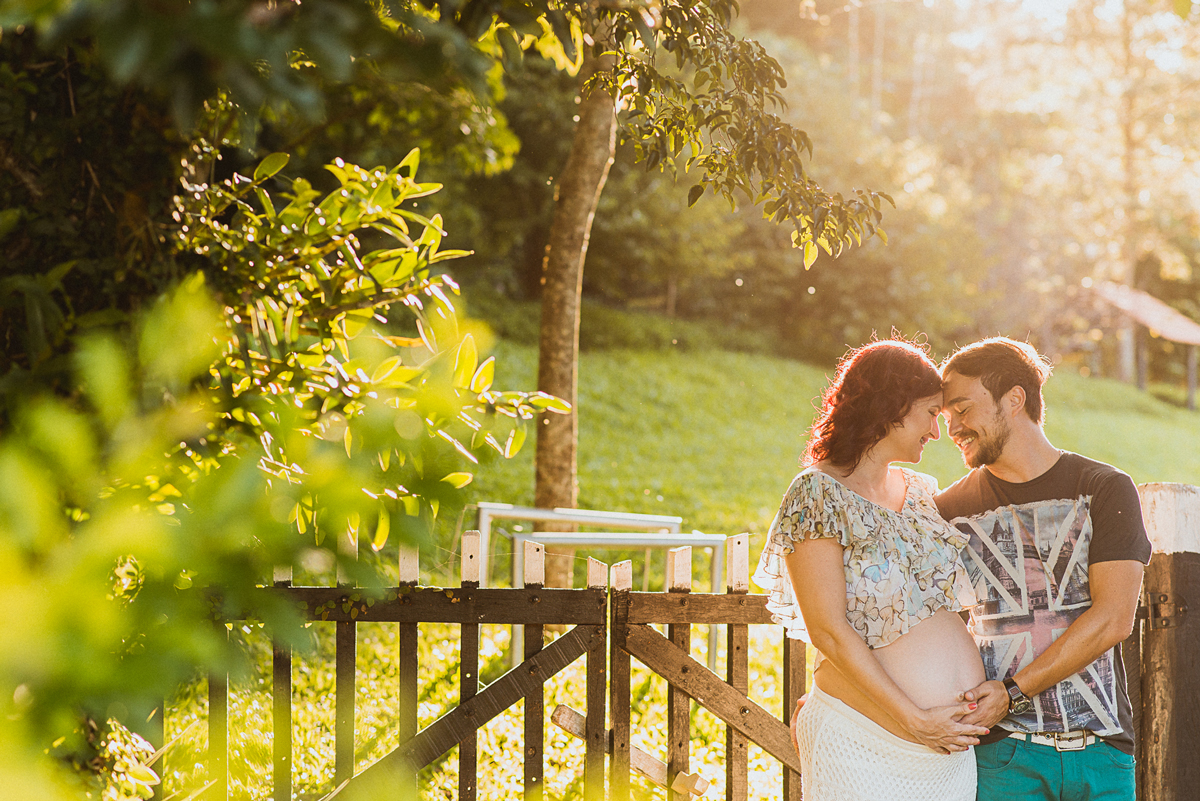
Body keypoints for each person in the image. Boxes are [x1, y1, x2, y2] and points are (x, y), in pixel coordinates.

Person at [753, 339, 988, 801]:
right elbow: (829, 631)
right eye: (929, 414)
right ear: (891, 407)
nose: (937, 431)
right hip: (867, 742)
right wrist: (915, 719)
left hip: (949, 753)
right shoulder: (817, 494)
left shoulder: (922, 492)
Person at [935, 337, 1151, 801]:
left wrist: (1012, 691)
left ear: (1014, 399)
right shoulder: (945, 513)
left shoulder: (1104, 489)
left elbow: (1113, 619)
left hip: (1103, 754)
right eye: (946, 414)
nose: (951, 426)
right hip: (1003, 758)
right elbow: (921, 627)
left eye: (962, 408)